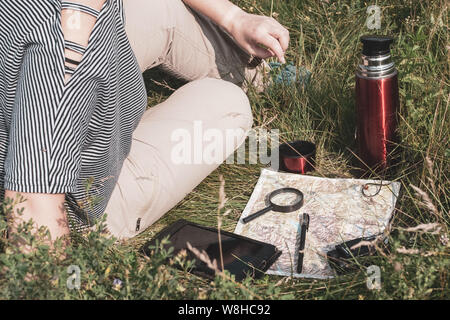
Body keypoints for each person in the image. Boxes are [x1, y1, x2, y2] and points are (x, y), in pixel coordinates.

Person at [0, 0, 290, 243]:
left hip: (48, 70)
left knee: (157, 5)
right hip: (81, 198)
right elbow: (34, 204)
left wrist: (234, 18)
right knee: (228, 103)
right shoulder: (62, 54)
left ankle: (266, 72)